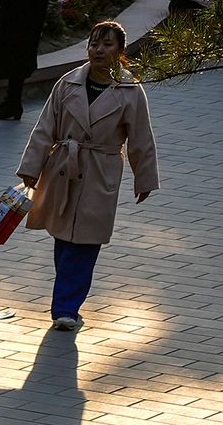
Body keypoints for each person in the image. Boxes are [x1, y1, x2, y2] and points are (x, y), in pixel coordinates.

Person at [15, 20, 160, 329]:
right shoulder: (67, 84)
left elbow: (141, 138)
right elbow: (45, 128)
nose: (99, 50)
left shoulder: (131, 90)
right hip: (63, 168)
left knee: (85, 239)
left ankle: (66, 309)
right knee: (64, 236)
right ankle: (67, 303)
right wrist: (31, 167)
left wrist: (144, 178)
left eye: (107, 45)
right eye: (94, 44)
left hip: (100, 169)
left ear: (120, 51)